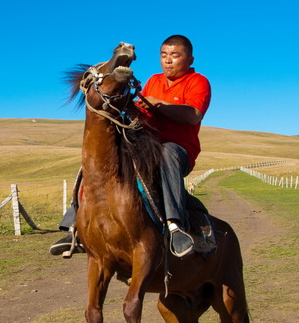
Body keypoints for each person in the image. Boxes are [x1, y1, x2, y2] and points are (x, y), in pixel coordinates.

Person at [50, 34, 213, 258]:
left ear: (190, 59)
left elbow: (193, 115)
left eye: (175, 55)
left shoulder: (198, 82)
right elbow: (142, 111)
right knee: (101, 157)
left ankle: (176, 227)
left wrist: (159, 104)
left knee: (167, 153)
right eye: (164, 55)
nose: (168, 60)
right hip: (146, 146)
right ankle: (74, 226)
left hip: (178, 150)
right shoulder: (154, 80)